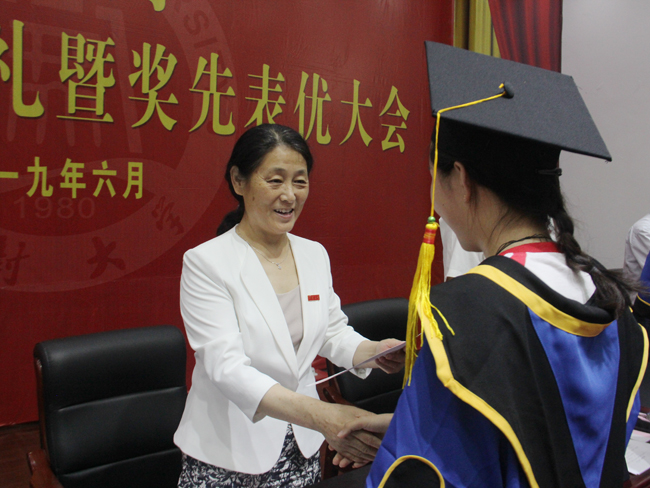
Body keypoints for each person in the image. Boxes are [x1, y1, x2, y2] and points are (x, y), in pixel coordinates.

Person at [335, 42, 648, 488]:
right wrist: (403, 419)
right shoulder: (610, 299)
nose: (435, 200)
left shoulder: (465, 312)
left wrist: (408, 432)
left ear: (461, 180)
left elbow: (426, 469)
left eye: (433, 179)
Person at [173, 124, 404, 488]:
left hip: (302, 445)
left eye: (300, 181)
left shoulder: (313, 254)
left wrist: (373, 352)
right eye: (275, 180)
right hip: (230, 450)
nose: (289, 195)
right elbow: (226, 368)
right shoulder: (207, 263)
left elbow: (331, 331)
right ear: (238, 181)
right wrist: (322, 415)